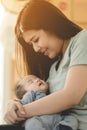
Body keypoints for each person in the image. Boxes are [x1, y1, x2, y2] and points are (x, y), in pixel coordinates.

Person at [1, 0, 87, 130]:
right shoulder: (53, 69)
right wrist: (15, 104)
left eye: (36, 40)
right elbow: (41, 97)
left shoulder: (82, 40)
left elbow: (71, 96)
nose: (35, 49)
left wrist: (21, 111)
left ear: (50, 25)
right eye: (32, 44)